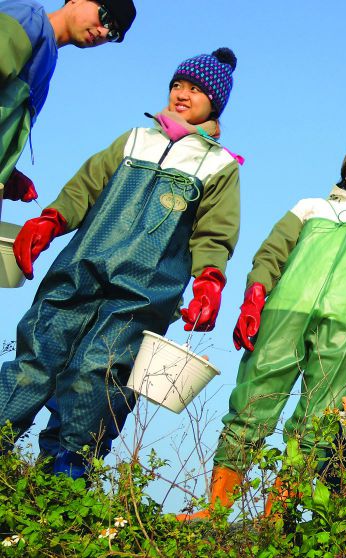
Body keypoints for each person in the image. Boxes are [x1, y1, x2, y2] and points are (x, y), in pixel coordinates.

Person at [0, 47, 242, 478]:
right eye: (177, 85)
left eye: (196, 89)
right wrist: (50, 220)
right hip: (81, 267)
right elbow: (85, 187)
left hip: (145, 291)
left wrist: (209, 279)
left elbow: (214, 231)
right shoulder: (134, 140)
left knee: (96, 373)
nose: (182, 94)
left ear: (214, 102)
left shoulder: (218, 165)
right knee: (38, 353)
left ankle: (63, 480)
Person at [177, 134, 346, 521]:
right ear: (345, 169)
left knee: (318, 421)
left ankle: (276, 514)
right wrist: (255, 296)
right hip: (286, 310)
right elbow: (271, 252)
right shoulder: (309, 207)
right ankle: (216, 508)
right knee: (252, 401)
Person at [0, 0, 136, 207]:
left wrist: (8, 170)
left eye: (113, 33)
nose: (103, 32)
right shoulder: (27, 18)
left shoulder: (47, 60)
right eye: (105, 17)